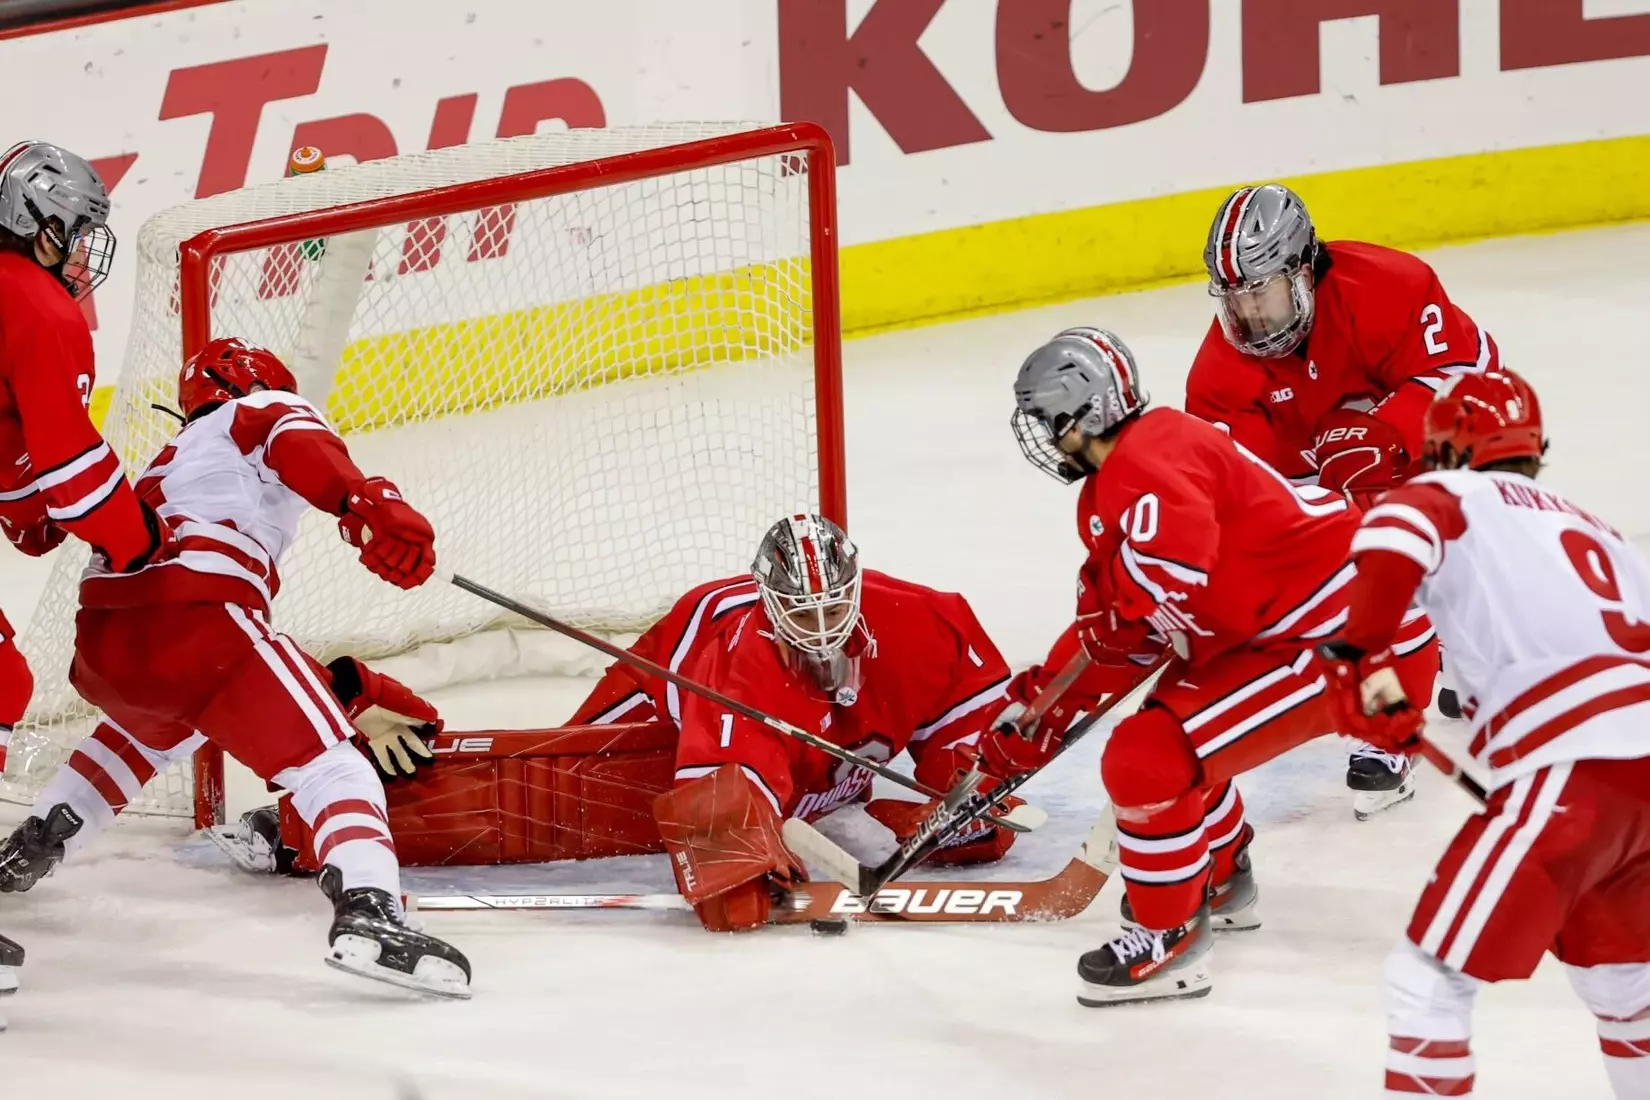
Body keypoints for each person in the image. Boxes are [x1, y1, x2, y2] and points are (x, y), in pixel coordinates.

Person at [0, 337, 471, 998]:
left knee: (153, 726)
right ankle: (370, 914)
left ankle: (31, 846)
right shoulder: (258, 411)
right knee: (331, 763)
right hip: (200, 614)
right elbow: (299, 443)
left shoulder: (168, 459)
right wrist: (362, 503)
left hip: (105, 638)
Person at [1007, 326, 1438, 1007]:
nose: (1039, 435)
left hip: (1345, 637)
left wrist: (1088, 660)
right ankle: (1217, 874)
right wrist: (1038, 708)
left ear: (1075, 414)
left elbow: (1165, 579)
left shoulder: (1148, 462)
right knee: (1175, 727)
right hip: (1286, 626)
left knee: (1147, 758)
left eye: (1042, 418)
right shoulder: (1121, 478)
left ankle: (1170, 939)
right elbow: (1129, 632)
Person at [1319, 369, 1650, 1098]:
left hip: (1572, 773)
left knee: (1427, 981)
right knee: (1627, 989)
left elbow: (1396, 531)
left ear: (1442, 449)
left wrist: (1356, 655)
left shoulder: (1448, 494)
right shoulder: (1598, 529)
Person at [569, 513, 1051, 932]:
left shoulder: (920, 620)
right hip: (661, 695)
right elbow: (721, 806)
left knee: (983, 829)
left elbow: (974, 743)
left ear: (855, 589)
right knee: (575, 796)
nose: (822, 630)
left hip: (806, 760)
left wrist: (971, 793)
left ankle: (817, 800)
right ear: (770, 602)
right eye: (802, 614)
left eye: (836, 609)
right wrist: (747, 861)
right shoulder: (738, 665)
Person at [1186, 183, 1497, 812]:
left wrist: (1390, 429)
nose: (1248, 319)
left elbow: (1471, 378)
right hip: (1315, 482)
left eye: (1261, 295)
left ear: (1303, 271)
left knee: (1442, 528)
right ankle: (1389, 706)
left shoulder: (1389, 285)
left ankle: (1469, 652)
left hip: (1432, 441)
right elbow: (1233, 488)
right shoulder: (1220, 374)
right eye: (1235, 302)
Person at [0, 140, 171, 1024]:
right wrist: (135, 536)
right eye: (74, 231)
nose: (80, 251)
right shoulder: (39, 307)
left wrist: (21, 504)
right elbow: (70, 466)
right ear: (38, 221)